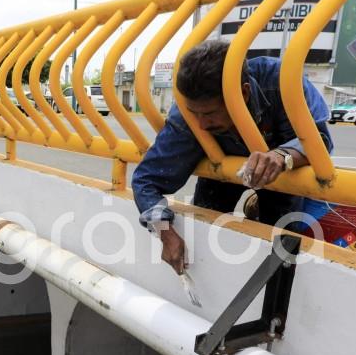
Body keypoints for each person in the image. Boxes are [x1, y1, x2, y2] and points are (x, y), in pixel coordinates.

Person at [132, 40, 333, 274]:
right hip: (223, 173)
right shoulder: (189, 116)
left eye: (209, 113)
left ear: (244, 93)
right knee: (205, 231)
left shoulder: (281, 81)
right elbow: (146, 179)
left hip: (281, 175)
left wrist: (282, 156)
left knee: (283, 242)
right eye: (193, 112)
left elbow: (319, 139)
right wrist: (164, 232)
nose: (201, 125)